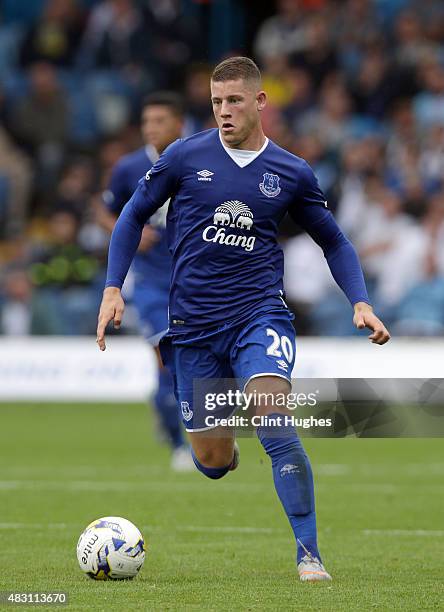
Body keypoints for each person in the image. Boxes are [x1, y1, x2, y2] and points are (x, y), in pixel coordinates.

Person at [96, 57, 390, 582]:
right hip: (192, 329)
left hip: (260, 315)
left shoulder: (291, 172)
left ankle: (309, 553)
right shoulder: (184, 157)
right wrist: (113, 287)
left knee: (273, 417)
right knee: (210, 461)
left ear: (259, 102)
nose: (224, 111)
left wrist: (360, 300)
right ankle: (223, 452)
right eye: (215, 102)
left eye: (234, 101)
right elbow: (131, 215)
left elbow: (335, 240)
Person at [96, 91, 193, 471]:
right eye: (146, 123)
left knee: (196, 363)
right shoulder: (128, 167)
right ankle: (177, 444)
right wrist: (129, 230)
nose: (151, 129)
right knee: (166, 358)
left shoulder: (201, 161)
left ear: (179, 124)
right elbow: (105, 213)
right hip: (152, 283)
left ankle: (174, 414)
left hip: (197, 283)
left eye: (159, 122)